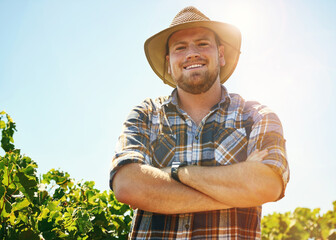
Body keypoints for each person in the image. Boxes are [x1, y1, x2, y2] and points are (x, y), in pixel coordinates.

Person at [110, 6, 289, 239]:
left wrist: (174, 173)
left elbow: (267, 185)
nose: (192, 53)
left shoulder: (255, 116)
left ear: (221, 54)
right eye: (180, 47)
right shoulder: (145, 114)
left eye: (202, 43)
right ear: (169, 62)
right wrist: (235, 190)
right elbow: (128, 185)